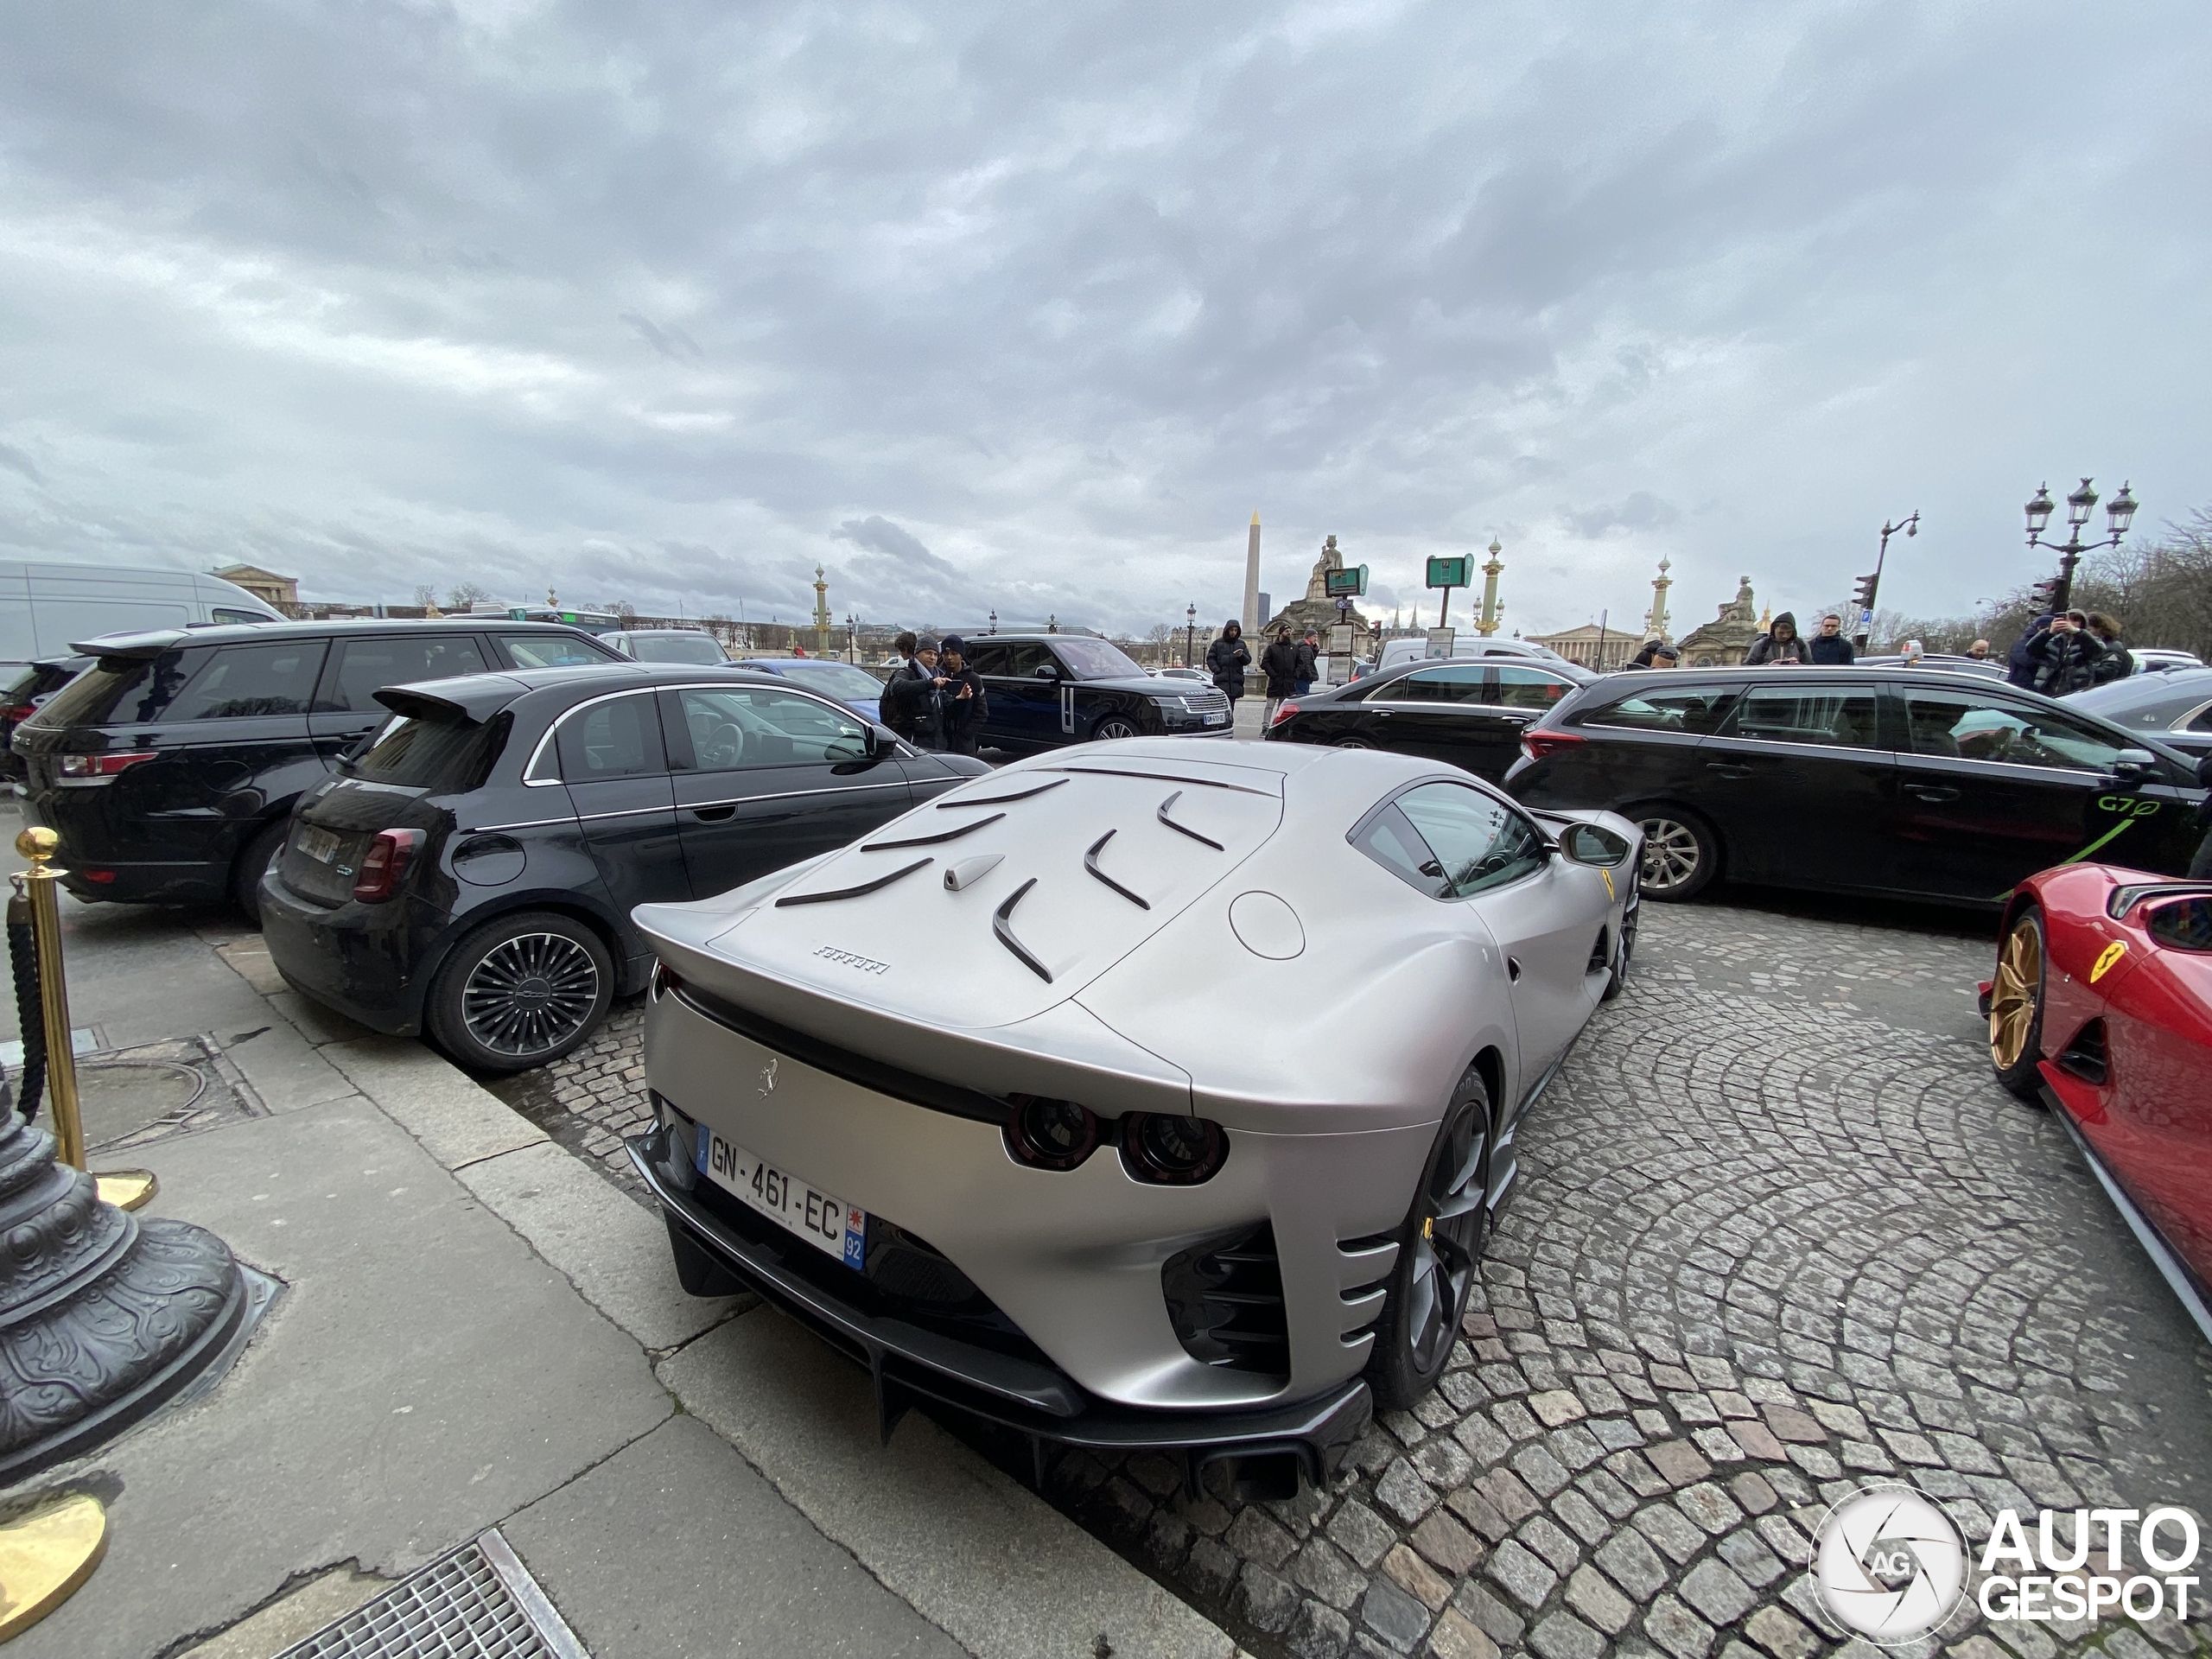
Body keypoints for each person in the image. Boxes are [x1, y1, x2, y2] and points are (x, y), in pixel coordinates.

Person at [880, 632, 946, 749]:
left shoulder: (938, 676)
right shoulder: (906, 673)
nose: (933, 657)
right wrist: (930, 683)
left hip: (934, 744)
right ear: (917, 654)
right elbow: (898, 687)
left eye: (936, 655)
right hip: (912, 743)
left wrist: (960, 698)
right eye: (928, 653)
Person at [2026, 610, 2107, 696]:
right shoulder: (2054, 640)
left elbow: (2098, 652)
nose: (2070, 623)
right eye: (2068, 620)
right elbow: (2031, 650)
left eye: (2075, 620)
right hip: (2046, 691)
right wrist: (2048, 632)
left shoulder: (2088, 640)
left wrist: (2078, 633)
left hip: (2076, 691)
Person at [936, 634, 988, 755]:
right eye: (945, 654)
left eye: (954, 654)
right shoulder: (937, 677)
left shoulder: (973, 679)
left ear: (961, 655)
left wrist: (966, 734)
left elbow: (981, 712)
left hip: (964, 744)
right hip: (942, 742)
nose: (949, 658)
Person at [1205, 620, 1250, 709]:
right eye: (1231, 630)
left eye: (1235, 630)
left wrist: (1241, 656)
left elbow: (1247, 660)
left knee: (1231, 707)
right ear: (1227, 630)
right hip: (1222, 680)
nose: (1233, 632)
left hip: (1235, 681)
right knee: (1219, 706)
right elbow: (1210, 658)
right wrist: (1217, 670)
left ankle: (1229, 723)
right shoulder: (1217, 643)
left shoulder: (1241, 644)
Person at [1260, 627, 1301, 723]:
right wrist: (1273, 675)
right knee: (1269, 706)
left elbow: (1300, 663)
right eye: (1287, 631)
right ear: (1280, 633)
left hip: (1288, 684)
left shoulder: (1294, 648)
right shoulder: (1272, 648)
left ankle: (1277, 725)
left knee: (1283, 708)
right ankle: (1265, 726)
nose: (1289, 633)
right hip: (1275, 683)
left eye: (1290, 631)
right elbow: (1265, 663)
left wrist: (1295, 675)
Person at [2006, 613, 2055, 690]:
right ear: (2041, 628)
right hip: (2020, 686)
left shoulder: (2052, 643)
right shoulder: (2022, 643)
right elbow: (2025, 660)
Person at [1744, 612, 1809, 665]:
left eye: (1789, 632)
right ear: (1774, 630)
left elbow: (1810, 667)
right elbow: (1747, 667)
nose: (1785, 636)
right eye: (1781, 633)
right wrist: (1768, 666)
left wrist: (1798, 665)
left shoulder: (1801, 645)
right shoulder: (1762, 644)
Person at [2085, 613, 2133, 683]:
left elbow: (2107, 673)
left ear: (2100, 629)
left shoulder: (2113, 648)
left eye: (2089, 630)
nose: (2086, 633)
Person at [1295, 631, 1320, 696]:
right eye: (1314, 636)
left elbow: (1310, 659)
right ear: (1308, 637)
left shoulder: (1306, 647)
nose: (1316, 639)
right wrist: (1309, 676)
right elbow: (1305, 664)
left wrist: (1315, 650)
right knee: (1302, 696)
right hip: (1303, 678)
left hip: (1302, 678)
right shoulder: (1305, 647)